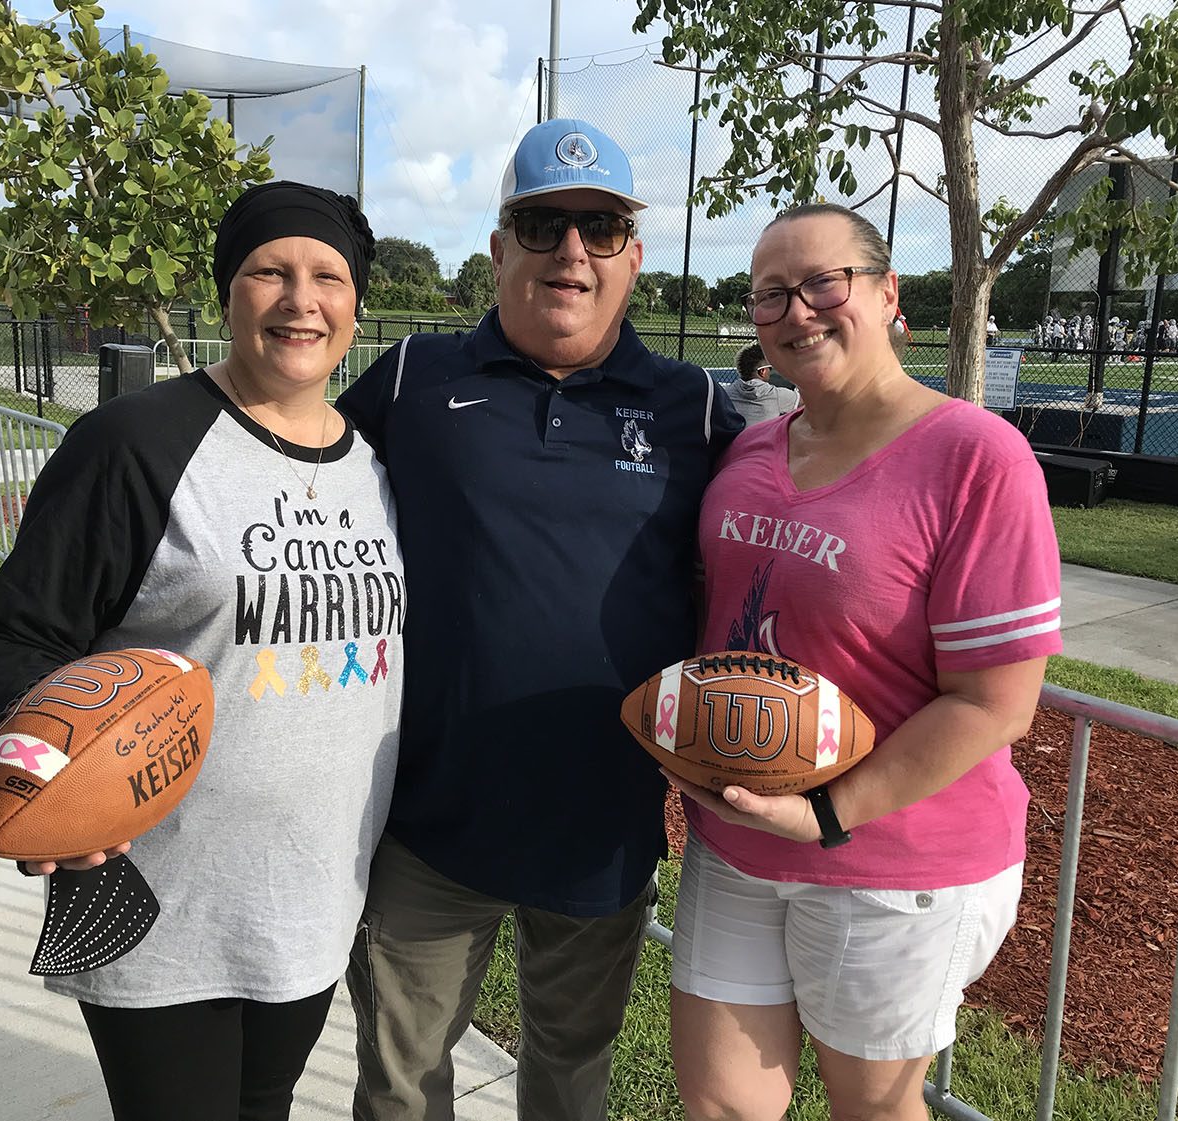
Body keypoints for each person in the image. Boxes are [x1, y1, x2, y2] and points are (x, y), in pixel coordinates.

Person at [0, 181, 404, 1121]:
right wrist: (51, 778)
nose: (300, 299)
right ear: (225, 292)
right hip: (151, 887)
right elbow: (14, 632)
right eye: (268, 272)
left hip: (311, 885)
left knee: (264, 1103)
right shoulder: (134, 443)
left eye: (327, 276)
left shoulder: (376, 464)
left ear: (356, 307)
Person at [335, 117, 743, 1121]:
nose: (570, 250)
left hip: (597, 827)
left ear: (632, 257)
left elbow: (800, 517)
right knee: (398, 1088)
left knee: (568, 1081)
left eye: (598, 227)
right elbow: (283, 465)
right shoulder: (411, 378)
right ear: (498, 247)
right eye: (542, 223)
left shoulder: (692, 408)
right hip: (429, 822)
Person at [667, 202, 1061, 1121]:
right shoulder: (751, 449)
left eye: (822, 283)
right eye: (770, 294)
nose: (797, 311)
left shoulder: (975, 457)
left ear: (888, 294)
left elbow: (995, 704)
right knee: (720, 1105)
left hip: (893, 860)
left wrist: (828, 814)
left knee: (873, 1112)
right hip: (737, 835)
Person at [727, 341, 800, 425]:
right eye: (770, 368)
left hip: (734, 438)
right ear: (762, 371)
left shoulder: (727, 392)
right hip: (765, 438)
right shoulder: (775, 395)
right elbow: (805, 401)